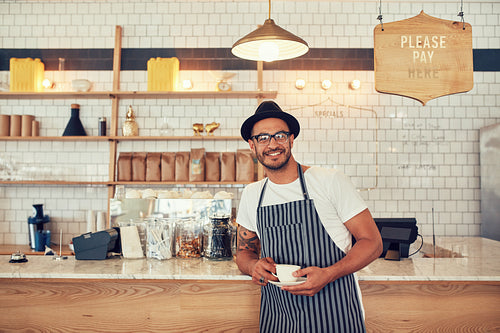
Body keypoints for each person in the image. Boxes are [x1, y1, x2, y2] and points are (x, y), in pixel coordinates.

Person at [235, 100, 383, 333]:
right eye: (263, 138)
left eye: (280, 136)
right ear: (252, 146)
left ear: (291, 139)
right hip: (279, 317)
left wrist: (328, 274)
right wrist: (253, 266)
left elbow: (373, 243)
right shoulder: (252, 195)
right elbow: (244, 252)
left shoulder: (329, 181)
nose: (272, 144)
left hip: (335, 314)